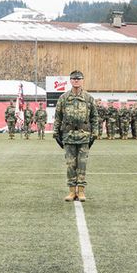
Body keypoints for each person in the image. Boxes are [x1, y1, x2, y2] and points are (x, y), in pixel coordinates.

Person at [53, 70, 99, 202]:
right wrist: (56, 134)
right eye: (73, 79)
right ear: (70, 81)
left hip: (84, 135)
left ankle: (82, 191)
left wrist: (94, 134)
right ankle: (72, 191)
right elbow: (58, 118)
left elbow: (94, 118)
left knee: (82, 164)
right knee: (70, 165)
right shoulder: (64, 98)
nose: (76, 81)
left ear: (82, 80)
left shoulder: (89, 98)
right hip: (68, 135)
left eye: (78, 79)